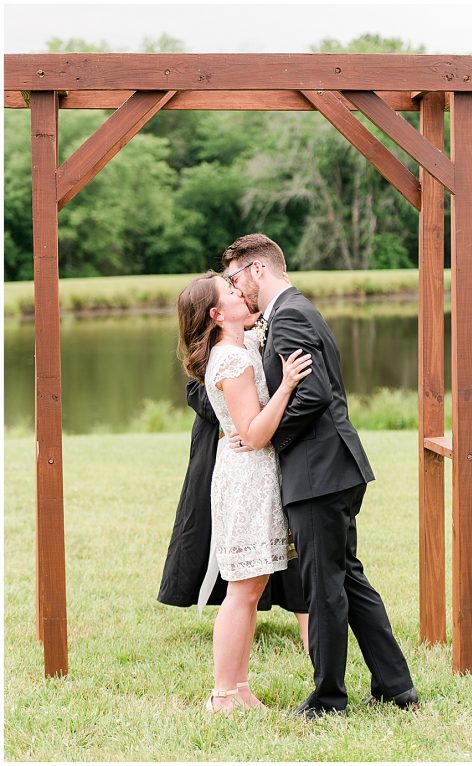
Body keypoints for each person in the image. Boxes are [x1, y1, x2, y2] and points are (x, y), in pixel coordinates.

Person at [221, 233, 417, 719]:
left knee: (324, 586)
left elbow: (313, 395)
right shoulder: (292, 313)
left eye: (235, 277)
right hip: (331, 468)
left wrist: (262, 435)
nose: (235, 287)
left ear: (257, 270)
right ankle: (396, 686)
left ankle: (328, 698)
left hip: (320, 471)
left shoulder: (289, 316)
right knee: (347, 578)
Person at [177, 272, 313, 712]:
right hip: (247, 481)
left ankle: (240, 687)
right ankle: (222, 693)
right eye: (231, 291)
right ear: (217, 314)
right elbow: (254, 434)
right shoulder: (229, 360)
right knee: (242, 589)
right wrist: (288, 385)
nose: (241, 291)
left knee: (252, 588)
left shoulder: (244, 345)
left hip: (255, 473)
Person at [156, 375, 310, 655]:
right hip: (225, 443)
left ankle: (308, 624)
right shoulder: (212, 342)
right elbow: (196, 390)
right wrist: (239, 417)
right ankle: (237, 627)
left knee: (291, 535)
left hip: (275, 438)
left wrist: (260, 421)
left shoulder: (273, 331)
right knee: (232, 539)